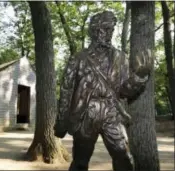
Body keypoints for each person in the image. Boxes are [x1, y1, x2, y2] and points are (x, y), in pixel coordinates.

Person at [54, 11, 153, 171]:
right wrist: (61, 123)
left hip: (111, 113)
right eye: (105, 29)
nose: (108, 34)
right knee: (80, 160)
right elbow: (66, 91)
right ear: (94, 31)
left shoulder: (121, 58)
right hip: (85, 114)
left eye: (111, 30)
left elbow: (125, 92)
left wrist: (139, 78)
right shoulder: (78, 58)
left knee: (123, 156)